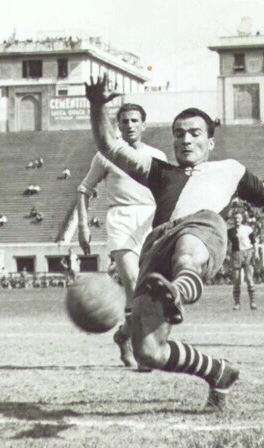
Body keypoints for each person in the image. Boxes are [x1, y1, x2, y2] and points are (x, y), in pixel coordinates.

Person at [85, 75, 264, 411]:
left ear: (210, 142)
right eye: (178, 134)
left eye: (195, 133)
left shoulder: (229, 170)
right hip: (158, 246)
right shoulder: (158, 171)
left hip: (203, 229)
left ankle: (178, 289)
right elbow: (109, 147)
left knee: (189, 249)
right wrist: (96, 106)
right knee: (149, 351)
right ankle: (218, 372)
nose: (185, 140)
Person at [76, 102, 167, 370]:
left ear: (143, 125)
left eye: (134, 120)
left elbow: (165, 191)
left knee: (150, 290)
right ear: (118, 125)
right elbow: (84, 189)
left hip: (150, 219)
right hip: (121, 218)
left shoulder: (156, 155)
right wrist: (83, 225)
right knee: (133, 282)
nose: (129, 125)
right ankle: (142, 353)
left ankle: (124, 335)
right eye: (124, 121)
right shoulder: (106, 154)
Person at [227, 212, 257, 310]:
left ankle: (252, 303)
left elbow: (254, 242)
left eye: (239, 218)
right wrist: (227, 254)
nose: (237, 220)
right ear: (233, 220)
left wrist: (255, 253)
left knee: (249, 279)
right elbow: (228, 244)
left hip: (247, 253)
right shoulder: (230, 231)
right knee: (236, 280)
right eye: (235, 218)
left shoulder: (247, 229)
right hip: (236, 254)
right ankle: (237, 303)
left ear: (242, 219)